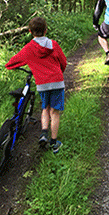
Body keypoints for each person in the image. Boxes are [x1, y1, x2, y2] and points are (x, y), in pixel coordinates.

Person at [5, 17, 67, 154]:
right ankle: (54, 143)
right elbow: (63, 62)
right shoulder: (54, 45)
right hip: (57, 81)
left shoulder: (28, 49)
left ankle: (44, 133)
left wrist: (9, 66)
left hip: (42, 84)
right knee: (55, 112)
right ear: (46, 30)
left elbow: (12, 62)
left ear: (30, 31)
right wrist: (59, 73)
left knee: (45, 108)